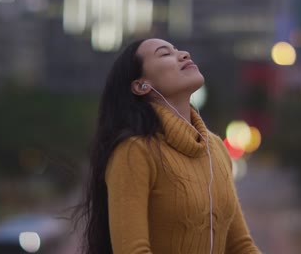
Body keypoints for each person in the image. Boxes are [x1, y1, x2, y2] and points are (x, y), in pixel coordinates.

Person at [78, 38, 261, 254]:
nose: (183, 54)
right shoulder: (135, 151)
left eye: (178, 49)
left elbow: (240, 246)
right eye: (165, 54)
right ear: (141, 85)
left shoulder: (216, 148)